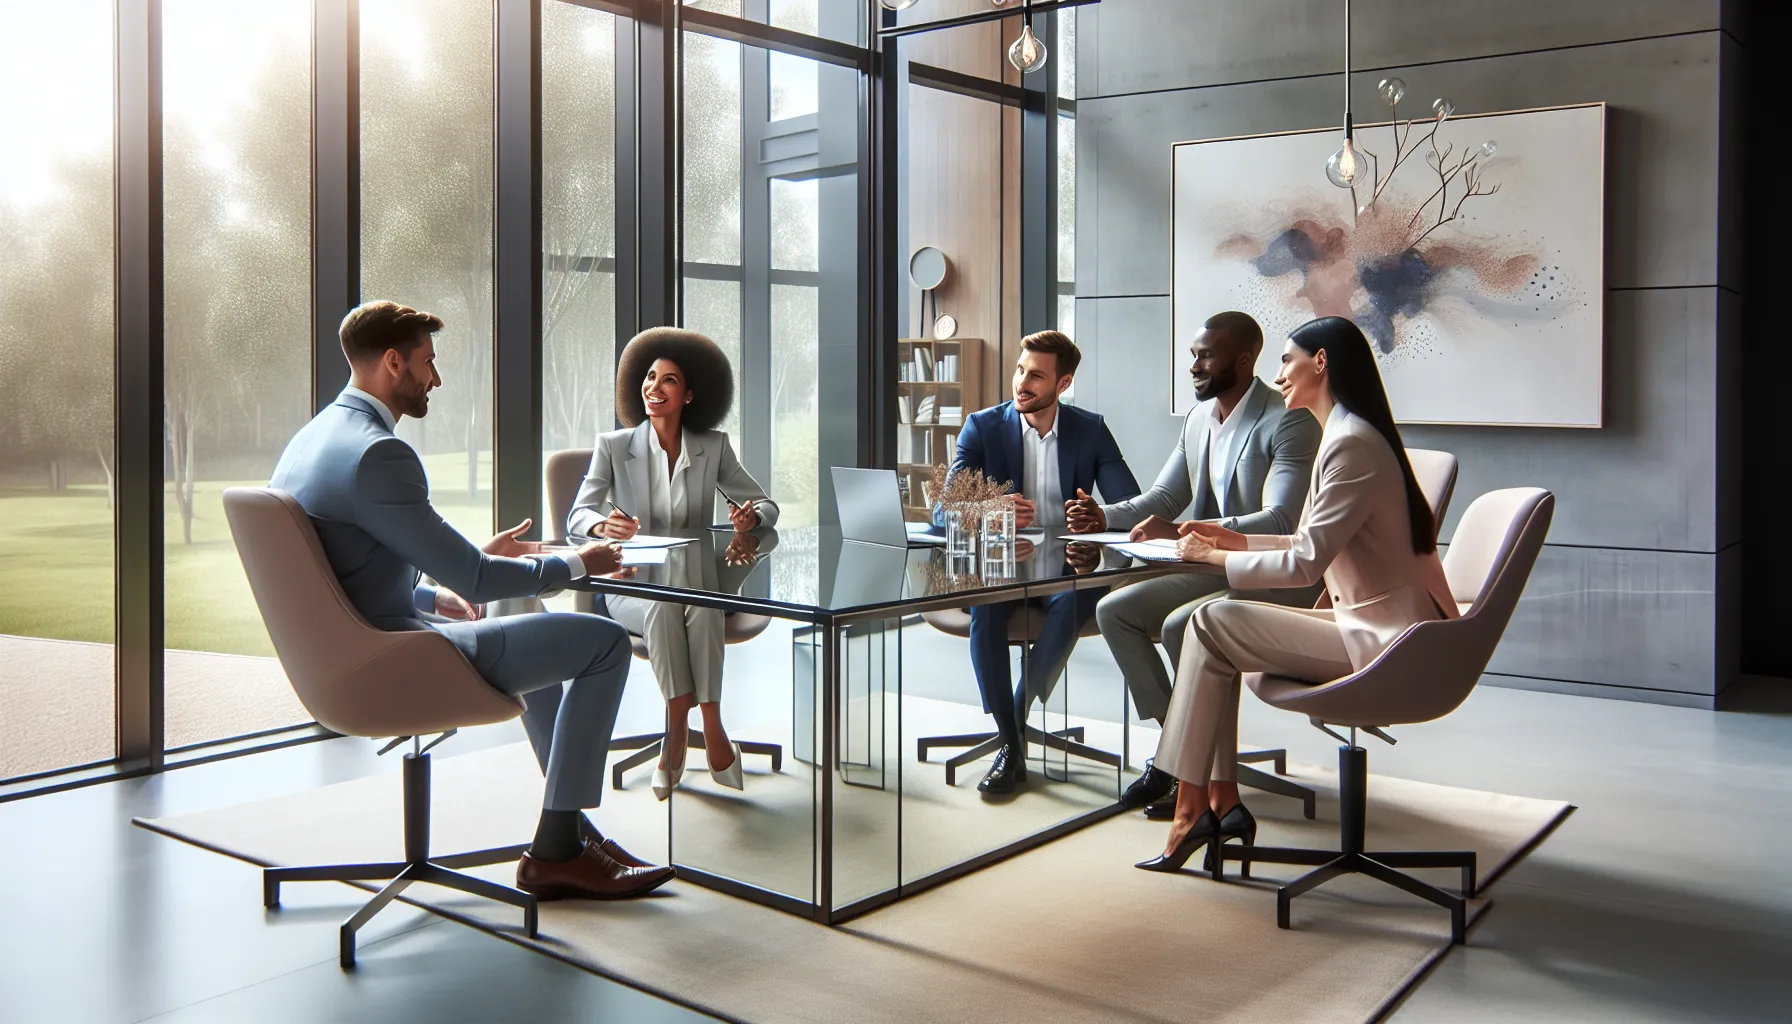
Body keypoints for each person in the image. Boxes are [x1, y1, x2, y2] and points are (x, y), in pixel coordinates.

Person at [270, 301, 674, 901]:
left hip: (352, 649)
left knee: (525, 620)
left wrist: (435, 594)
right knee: (606, 644)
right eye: (427, 363)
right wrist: (576, 562)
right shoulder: (379, 454)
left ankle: (569, 828)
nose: (435, 378)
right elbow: (481, 580)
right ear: (391, 362)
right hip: (398, 655)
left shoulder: (313, 439)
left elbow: (348, 571)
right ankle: (557, 851)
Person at [1131, 316, 1457, 873]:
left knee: (1208, 622)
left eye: (1286, 359)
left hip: (1389, 640)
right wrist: (1232, 537)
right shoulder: (1348, 433)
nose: (1277, 373)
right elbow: (1308, 539)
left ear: (1321, 363)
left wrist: (1215, 557)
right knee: (1209, 630)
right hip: (1365, 623)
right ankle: (1215, 801)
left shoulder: (1350, 443)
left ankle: (1196, 807)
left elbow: (1306, 564)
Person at [1077, 311, 1321, 817]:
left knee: (1178, 626)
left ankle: (1185, 770)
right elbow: (1165, 497)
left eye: (1205, 355)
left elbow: (1281, 519)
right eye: (1192, 355)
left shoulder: (1289, 420)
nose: (1194, 365)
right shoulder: (1197, 419)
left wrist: (1192, 530)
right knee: (1115, 612)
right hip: (1211, 567)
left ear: (1245, 359)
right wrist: (1104, 515)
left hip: (1278, 574)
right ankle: (1180, 757)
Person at [567, 327, 777, 801]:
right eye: (648, 378)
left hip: (699, 578)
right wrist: (603, 528)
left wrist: (750, 517)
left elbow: (766, 505)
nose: (653, 388)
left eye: (668, 380)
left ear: (689, 395)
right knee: (669, 606)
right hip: (634, 586)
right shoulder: (614, 446)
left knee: (696, 604)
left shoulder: (714, 448)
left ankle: (683, 731)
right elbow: (577, 515)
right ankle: (701, 729)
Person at [938, 330, 1141, 794]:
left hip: (1068, 565)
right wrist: (990, 508)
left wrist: (1099, 514)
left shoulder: (1090, 429)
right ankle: (1012, 744)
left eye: (1036, 376)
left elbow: (1130, 500)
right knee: (987, 607)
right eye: (1019, 370)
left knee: (1076, 598)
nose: (1021, 383)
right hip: (999, 564)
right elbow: (942, 508)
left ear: (1063, 384)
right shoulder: (982, 427)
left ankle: (1016, 717)